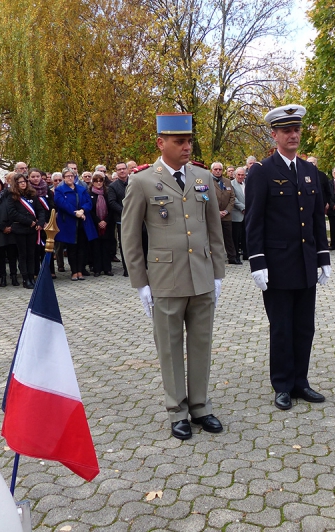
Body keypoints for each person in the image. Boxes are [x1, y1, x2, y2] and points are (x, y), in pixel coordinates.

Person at [121, 113, 226, 441]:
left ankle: (200, 406)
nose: (186, 146)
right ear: (160, 143)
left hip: (201, 276)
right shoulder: (141, 181)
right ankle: (177, 410)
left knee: (201, 343)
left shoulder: (202, 177)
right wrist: (141, 283)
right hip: (165, 278)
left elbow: (214, 228)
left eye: (189, 140)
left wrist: (218, 272)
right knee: (169, 346)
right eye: (179, 141)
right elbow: (130, 236)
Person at [245, 104, 331, 411]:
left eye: (296, 130)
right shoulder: (262, 172)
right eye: (286, 131)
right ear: (275, 135)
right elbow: (254, 221)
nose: (293, 135)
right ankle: (282, 384)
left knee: (304, 326)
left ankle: (301, 382)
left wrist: (323, 257)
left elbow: (316, 218)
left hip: (306, 262)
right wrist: (257, 262)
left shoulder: (309, 171)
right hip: (278, 265)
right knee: (281, 327)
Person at [54, 169, 97, 281]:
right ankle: (74, 271)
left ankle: (80, 270)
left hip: (82, 222)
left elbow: (88, 202)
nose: (70, 178)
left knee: (82, 248)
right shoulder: (60, 190)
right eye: (67, 176)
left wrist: (82, 210)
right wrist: (76, 213)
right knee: (72, 248)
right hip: (68, 222)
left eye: (72, 176)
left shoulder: (82, 189)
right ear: (63, 178)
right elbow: (62, 204)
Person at [7, 173, 45, 289]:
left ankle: (32, 276)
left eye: (24, 181)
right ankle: (25, 278)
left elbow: (40, 210)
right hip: (20, 229)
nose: (23, 184)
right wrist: (29, 222)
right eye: (20, 182)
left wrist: (40, 222)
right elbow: (13, 213)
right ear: (15, 184)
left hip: (32, 230)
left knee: (32, 254)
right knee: (23, 254)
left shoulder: (32, 195)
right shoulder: (12, 196)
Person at [211, 162, 238, 264]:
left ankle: (232, 257)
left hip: (226, 215)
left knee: (229, 237)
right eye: (216, 169)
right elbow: (206, 197)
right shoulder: (208, 181)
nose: (218, 171)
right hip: (213, 215)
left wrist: (226, 211)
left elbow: (232, 197)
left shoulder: (227, 182)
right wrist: (216, 211)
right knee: (214, 238)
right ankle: (215, 258)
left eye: (220, 169)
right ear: (212, 170)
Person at [89, 172, 114, 276]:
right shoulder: (90, 194)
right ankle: (97, 269)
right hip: (95, 224)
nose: (98, 183)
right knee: (96, 247)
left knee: (106, 247)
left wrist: (105, 221)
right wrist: (98, 221)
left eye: (100, 181)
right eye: (96, 181)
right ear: (93, 182)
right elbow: (90, 210)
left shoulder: (107, 193)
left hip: (107, 223)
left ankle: (107, 268)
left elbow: (111, 208)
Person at [108, 161, 130, 276]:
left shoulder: (134, 182)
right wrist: (126, 212)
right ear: (116, 172)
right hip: (121, 219)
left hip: (138, 218)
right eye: (119, 169)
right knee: (125, 244)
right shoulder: (113, 186)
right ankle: (127, 269)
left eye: (123, 168)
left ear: (127, 169)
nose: (122, 171)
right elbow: (111, 202)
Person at [231, 166, 247, 261]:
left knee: (246, 235)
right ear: (235, 175)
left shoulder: (247, 183)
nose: (241, 176)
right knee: (236, 237)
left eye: (242, 175)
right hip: (237, 213)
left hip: (247, 214)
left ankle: (246, 254)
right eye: (239, 175)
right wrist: (243, 208)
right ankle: (236, 255)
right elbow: (233, 198)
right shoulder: (231, 184)